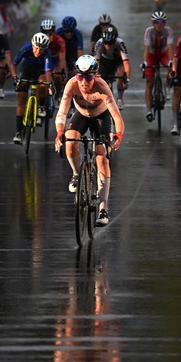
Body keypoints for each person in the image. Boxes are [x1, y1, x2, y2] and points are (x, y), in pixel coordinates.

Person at [54, 55, 125, 226]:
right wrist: (59, 132)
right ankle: (76, 174)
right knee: (70, 143)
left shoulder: (102, 87)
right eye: (80, 77)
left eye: (88, 77)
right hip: (81, 115)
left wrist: (118, 134)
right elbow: (62, 113)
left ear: (95, 76)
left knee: (102, 159)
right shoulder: (71, 84)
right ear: (76, 75)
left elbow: (116, 115)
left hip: (101, 117)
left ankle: (103, 208)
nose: (84, 82)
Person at [9, 32, 53, 145]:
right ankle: (18, 132)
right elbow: (13, 64)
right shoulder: (26, 48)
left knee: (43, 83)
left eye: (41, 50)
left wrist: (49, 84)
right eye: (37, 48)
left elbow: (48, 70)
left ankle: (41, 106)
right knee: (21, 98)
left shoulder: (47, 53)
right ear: (33, 45)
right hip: (27, 70)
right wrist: (15, 78)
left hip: (41, 71)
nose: (38, 52)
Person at [142, 11, 174, 122]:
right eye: (156, 22)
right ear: (153, 23)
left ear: (165, 23)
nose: (159, 24)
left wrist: (170, 61)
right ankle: (149, 110)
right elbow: (146, 48)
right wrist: (145, 62)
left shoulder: (168, 30)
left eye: (161, 22)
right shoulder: (149, 31)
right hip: (151, 54)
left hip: (163, 53)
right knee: (149, 82)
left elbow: (170, 47)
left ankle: (168, 87)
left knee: (172, 66)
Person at [93, 26, 131, 110]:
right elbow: (96, 62)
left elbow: (126, 63)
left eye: (110, 43)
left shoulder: (120, 43)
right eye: (106, 43)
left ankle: (120, 98)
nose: (108, 46)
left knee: (121, 74)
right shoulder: (99, 43)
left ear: (115, 41)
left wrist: (127, 78)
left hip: (117, 60)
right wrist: (95, 75)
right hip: (104, 61)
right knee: (100, 78)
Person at [40, 18, 66, 103]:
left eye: (50, 34)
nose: (47, 36)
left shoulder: (60, 41)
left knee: (58, 76)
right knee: (42, 80)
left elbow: (62, 59)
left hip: (55, 61)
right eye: (45, 33)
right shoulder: (39, 40)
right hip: (43, 61)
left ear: (54, 33)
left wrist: (62, 71)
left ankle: (58, 95)